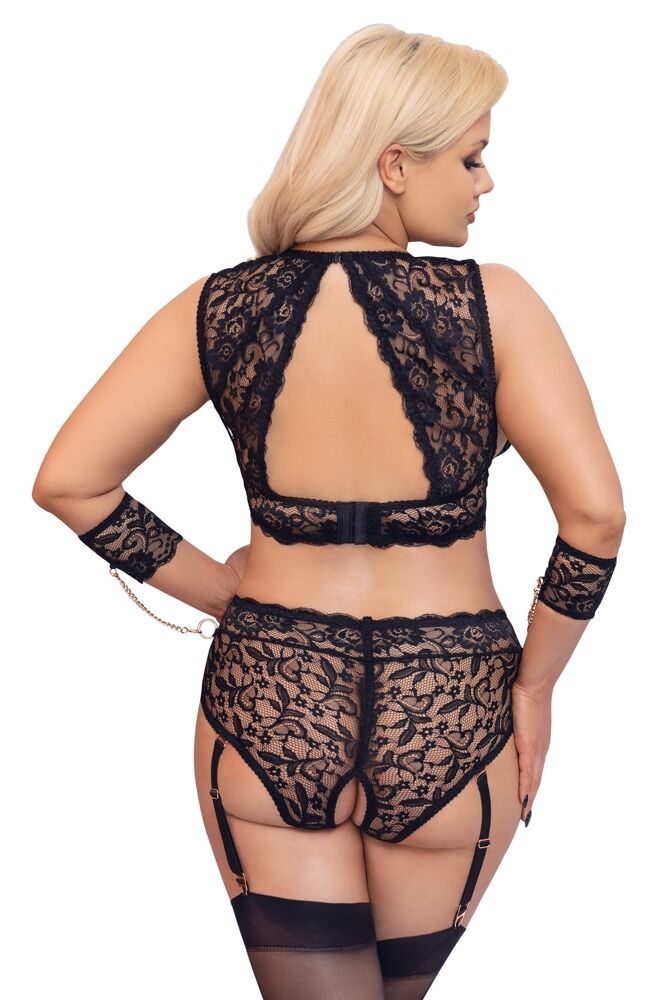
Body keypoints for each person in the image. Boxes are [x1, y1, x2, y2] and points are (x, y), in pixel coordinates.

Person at [31, 23, 625, 1000]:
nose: (486, 182)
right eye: (470, 157)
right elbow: (594, 518)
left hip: (269, 690)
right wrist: (535, 687)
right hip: (451, 702)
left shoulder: (218, 307)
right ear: (394, 166)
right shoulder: (498, 306)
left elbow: (71, 481)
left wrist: (223, 592)